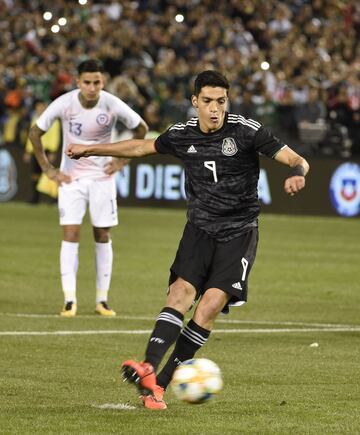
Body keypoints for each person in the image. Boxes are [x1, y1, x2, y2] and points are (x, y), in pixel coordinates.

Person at [67, 70, 309, 408]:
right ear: (194, 102)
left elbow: (298, 160)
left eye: (220, 102)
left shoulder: (246, 131)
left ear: (227, 102)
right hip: (198, 230)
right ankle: (148, 367)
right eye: (207, 101)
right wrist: (93, 149)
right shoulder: (181, 135)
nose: (214, 109)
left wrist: (297, 175)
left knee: (209, 306)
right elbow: (141, 146)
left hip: (238, 233)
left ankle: (161, 385)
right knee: (180, 292)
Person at [29, 59, 148, 317]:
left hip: (102, 179)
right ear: (78, 82)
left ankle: (102, 300)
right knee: (70, 235)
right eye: (87, 82)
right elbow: (35, 132)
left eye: (97, 82)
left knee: (102, 235)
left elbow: (141, 128)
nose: (92, 88)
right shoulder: (65, 103)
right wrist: (48, 169)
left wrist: (122, 161)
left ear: (102, 82)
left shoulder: (111, 103)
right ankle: (69, 300)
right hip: (71, 180)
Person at [24, 100, 61, 204]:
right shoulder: (35, 119)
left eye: (41, 106)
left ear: (45, 107)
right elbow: (30, 136)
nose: (39, 108)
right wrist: (28, 150)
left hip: (47, 150)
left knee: (52, 173)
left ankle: (55, 198)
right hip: (35, 150)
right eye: (38, 106)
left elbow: (55, 136)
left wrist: (53, 151)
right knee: (35, 175)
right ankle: (35, 198)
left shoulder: (53, 121)